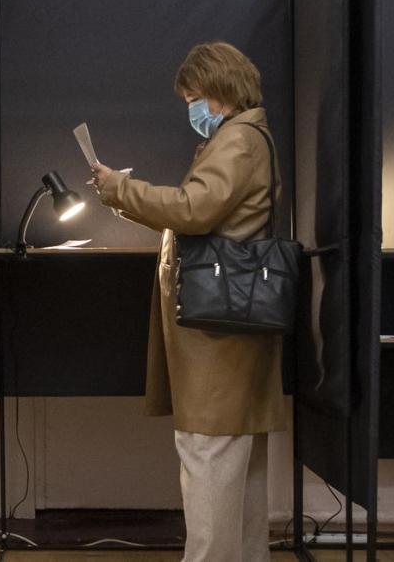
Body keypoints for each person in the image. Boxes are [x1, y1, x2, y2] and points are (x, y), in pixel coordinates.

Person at [90, 42, 285, 562]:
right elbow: (200, 212)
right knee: (237, 481)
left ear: (219, 91)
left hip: (216, 333)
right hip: (234, 328)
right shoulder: (247, 137)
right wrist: (124, 198)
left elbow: (195, 209)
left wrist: (120, 190)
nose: (191, 110)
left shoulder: (238, 139)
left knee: (209, 464)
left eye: (194, 97)